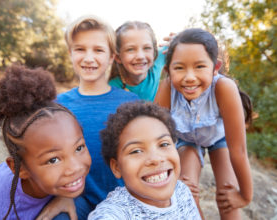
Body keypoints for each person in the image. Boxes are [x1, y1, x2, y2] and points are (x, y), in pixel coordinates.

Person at [37, 15, 139, 220]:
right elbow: (50, 159)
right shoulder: (56, 106)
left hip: (123, 199)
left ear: (112, 57)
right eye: (80, 49)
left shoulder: (131, 103)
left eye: (98, 50)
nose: (88, 58)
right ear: (70, 53)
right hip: (76, 197)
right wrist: (64, 195)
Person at [154, 28, 253, 219]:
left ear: (215, 67)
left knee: (228, 192)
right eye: (179, 67)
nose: (189, 77)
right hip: (186, 139)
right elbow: (156, 140)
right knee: (185, 189)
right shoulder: (166, 89)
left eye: (199, 66)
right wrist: (171, 178)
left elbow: (238, 150)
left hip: (219, 138)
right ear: (168, 70)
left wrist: (245, 196)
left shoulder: (224, 88)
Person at [0, 65, 92, 220]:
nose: (75, 167)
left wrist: (67, 196)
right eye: (53, 160)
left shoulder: (55, 177)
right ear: (20, 168)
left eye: (79, 148)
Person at [88, 101, 201, 219]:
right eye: (136, 151)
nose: (156, 159)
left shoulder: (182, 191)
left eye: (163, 144)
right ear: (116, 167)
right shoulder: (113, 214)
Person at [108, 21, 168, 101]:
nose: (140, 56)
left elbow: (186, 41)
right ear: (118, 57)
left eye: (147, 48)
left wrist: (178, 40)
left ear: (154, 52)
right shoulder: (112, 88)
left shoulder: (157, 62)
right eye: (130, 49)